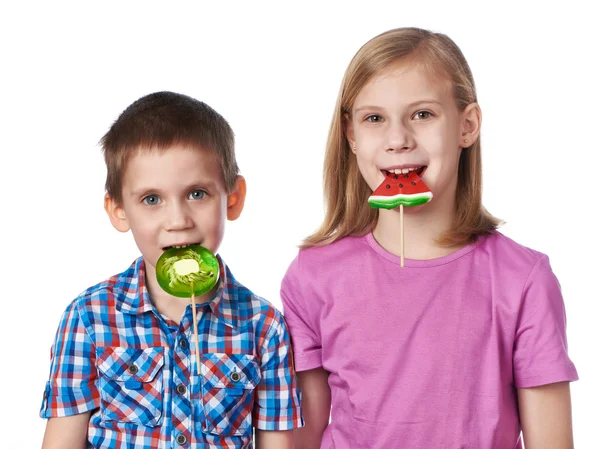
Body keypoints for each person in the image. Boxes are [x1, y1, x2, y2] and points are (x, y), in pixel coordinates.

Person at [281, 27, 578, 449]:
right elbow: (300, 437)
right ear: (351, 135)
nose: (398, 139)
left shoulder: (524, 279)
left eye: (422, 114)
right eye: (374, 118)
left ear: (467, 125)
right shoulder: (312, 275)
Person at [40, 91, 302, 449]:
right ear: (118, 210)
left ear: (233, 198)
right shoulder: (88, 318)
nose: (178, 221)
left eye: (197, 193)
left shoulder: (264, 327)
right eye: (152, 199)